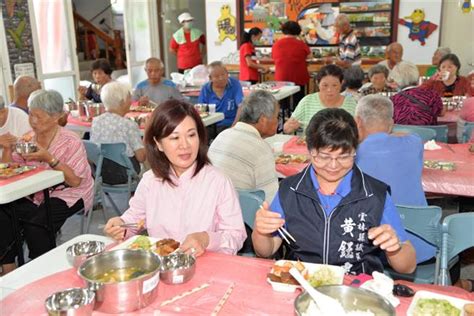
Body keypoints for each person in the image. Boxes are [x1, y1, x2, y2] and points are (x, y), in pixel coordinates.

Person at [252, 108, 416, 275]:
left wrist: (394, 248)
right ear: (309, 150)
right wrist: (261, 231)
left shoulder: (374, 194)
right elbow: (267, 250)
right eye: (324, 156)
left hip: (356, 289)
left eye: (344, 157)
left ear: (355, 150)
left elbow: (408, 267)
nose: (333, 166)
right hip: (302, 282)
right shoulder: (290, 189)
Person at [104, 100, 246, 256]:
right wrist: (121, 226)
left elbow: (236, 235)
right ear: (158, 144)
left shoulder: (218, 181)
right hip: (160, 267)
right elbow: (135, 218)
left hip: (205, 267)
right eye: (174, 137)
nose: (184, 145)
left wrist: (207, 239)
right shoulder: (150, 181)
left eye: (191, 135)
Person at [0, 90, 93, 275]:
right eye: (31, 114)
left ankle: (42, 271)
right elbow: (9, 169)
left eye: (38, 116)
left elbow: (75, 181)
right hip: (36, 193)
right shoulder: (29, 137)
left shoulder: (70, 141)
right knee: (3, 211)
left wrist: (48, 157)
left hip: (70, 193)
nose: (33, 121)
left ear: (56, 117)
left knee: (36, 225)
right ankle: (8, 265)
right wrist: (7, 149)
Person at [355, 95, 436, 263]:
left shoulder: (353, 154)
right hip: (420, 246)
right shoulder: (414, 143)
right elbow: (408, 134)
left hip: (371, 252)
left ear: (358, 121)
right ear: (391, 123)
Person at [209, 90, 279, 202]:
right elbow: (271, 199)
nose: (278, 121)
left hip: (213, 205)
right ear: (263, 120)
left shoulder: (222, 135)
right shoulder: (261, 149)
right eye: (276, 116)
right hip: (242, 213)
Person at [91, 82, 146, 185]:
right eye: (129, 98)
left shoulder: (96, 122)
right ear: (122, 102)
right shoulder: (128, 125)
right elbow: (141, 157)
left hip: (102, 173)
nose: (131, 101)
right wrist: (147, 132)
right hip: (125, 174)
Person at [283, 64, 357, 134]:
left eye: (334, 85)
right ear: (317, 83)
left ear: (342, 83)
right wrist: (289, 127)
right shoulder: (307, 101)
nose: (329, 90)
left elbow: (358, 131)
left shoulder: (351, 104)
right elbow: (286, 128)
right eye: (325, 85)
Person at [272, 21, 311, 105]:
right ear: (298, 31)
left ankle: (284, 115)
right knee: (298, 102)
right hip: (298, 77)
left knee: (283, 101)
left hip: (281, 77)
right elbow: (309, 57)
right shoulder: (301, 44)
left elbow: (275, 58)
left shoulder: (276, 44)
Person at [198, 61, 243, 133]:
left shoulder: (235, 84)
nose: (221, 78)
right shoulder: (205, 89)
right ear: (210, 78)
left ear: (227, 74)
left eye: (223, 74)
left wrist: (234, 125)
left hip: (230, 123)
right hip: (211, 124)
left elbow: (241, 106)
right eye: (217, 76)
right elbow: (201, 110)